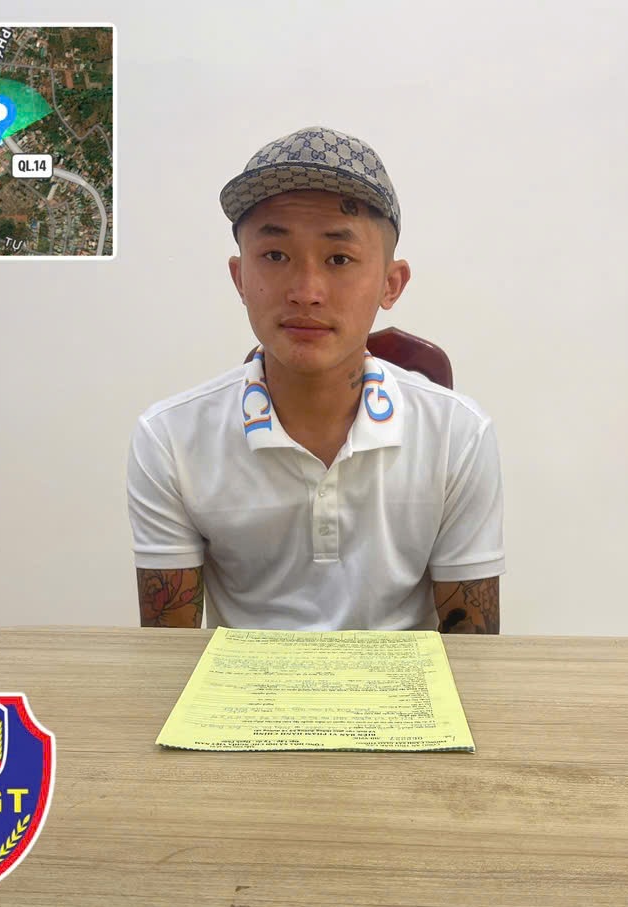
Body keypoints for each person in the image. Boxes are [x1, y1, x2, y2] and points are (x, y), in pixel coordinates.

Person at [127, 126, 504, 633]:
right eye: (275, 256)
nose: (306, 291)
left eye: (339, 259)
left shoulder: (459, 435)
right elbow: (169, 657)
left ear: (391, 283)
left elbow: (471, 654)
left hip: (403, 684)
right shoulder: (170, 440)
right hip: (242, 684)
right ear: (240, 278)